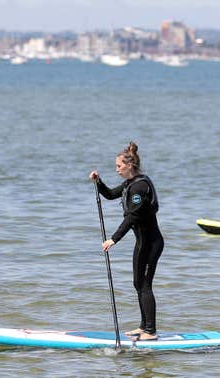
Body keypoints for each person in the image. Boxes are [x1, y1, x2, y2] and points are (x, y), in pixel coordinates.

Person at [89, 142, 163, 341]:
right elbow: (111, 194)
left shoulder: (140, 187)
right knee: (137, 283)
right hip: (142, 243)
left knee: (145, 285)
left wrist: (113, 239)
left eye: (119, 166)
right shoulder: (131, 183)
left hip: (152, 244)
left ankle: (151, 331)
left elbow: (131, 218)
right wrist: (98, 182)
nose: (117, 169)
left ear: (129, 165)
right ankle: (143, 327)